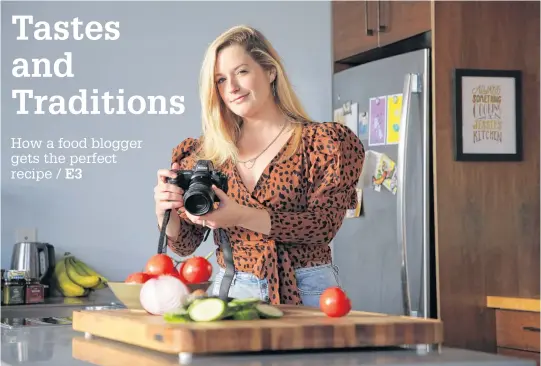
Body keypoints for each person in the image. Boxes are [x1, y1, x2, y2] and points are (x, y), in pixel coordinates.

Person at [154, 25, 365, 307]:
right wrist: (165, 212)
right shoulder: (206, 154)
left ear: (270, 70)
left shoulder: (323, 143)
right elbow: (186, 245)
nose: (232, 88)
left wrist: (241, 215)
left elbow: (322, 226)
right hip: (232, 291)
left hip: (310, 292)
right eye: (220, 80)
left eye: (241, 72)